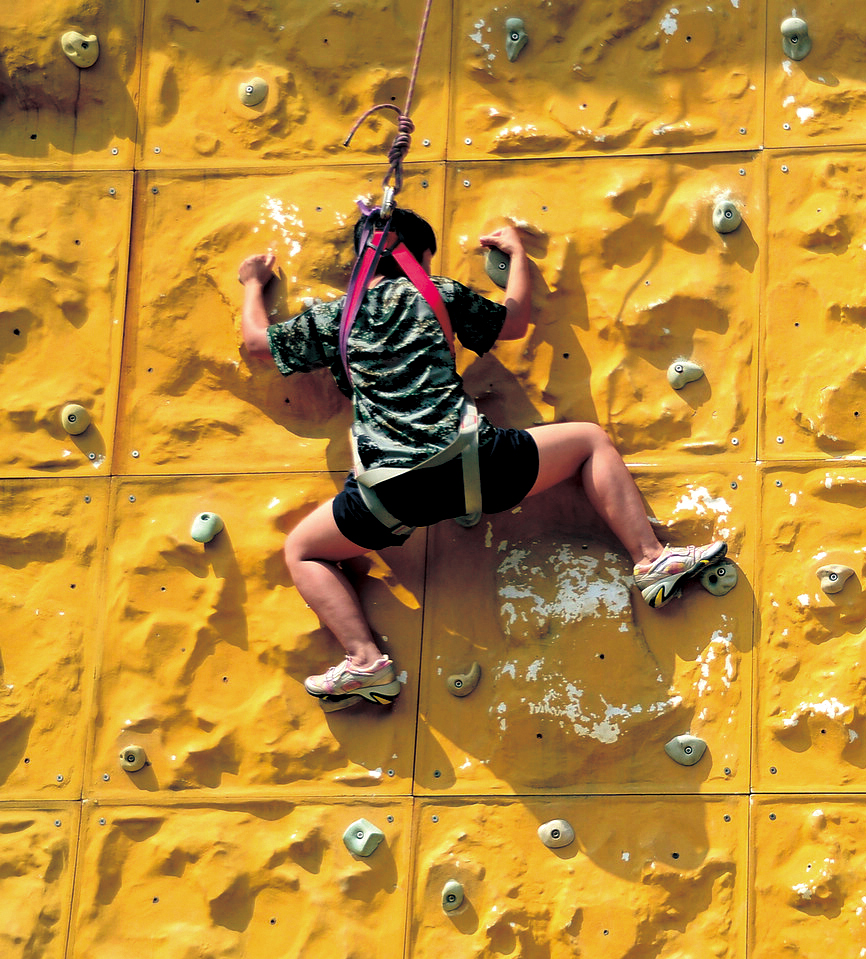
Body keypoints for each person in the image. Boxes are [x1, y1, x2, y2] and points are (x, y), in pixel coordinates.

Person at [237, 207, 726, 711]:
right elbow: (513, 322)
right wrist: (515, 255)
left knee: (303, 550)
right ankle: (651, 560)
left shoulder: (333, 316)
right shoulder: (436, 294)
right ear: (420, 257)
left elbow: (257, 345)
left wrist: (254, 284)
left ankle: (366, 662)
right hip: (472, 464)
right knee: (589, 441)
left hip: (389, 493)